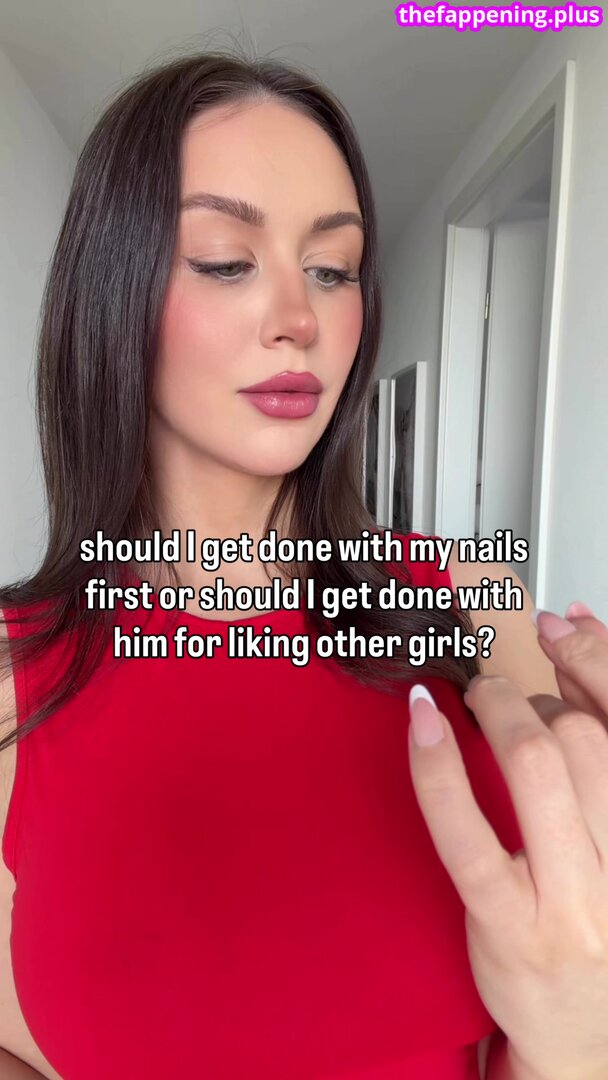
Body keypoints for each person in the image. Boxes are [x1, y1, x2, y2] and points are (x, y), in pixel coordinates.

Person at [0, 46, 604, 1080]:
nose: (301, 319)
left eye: (331, 268)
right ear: (110, 292)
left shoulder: (475, 610)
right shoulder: (17, 673)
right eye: (224, 260)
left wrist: (582, 1043)